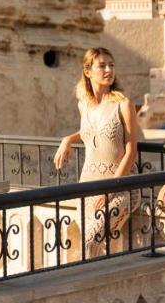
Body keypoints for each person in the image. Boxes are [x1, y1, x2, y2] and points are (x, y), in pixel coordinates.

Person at [53, 48, 142, 256]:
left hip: (120, 187)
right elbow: (90, 132)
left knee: (91, 241)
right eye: (102, 66)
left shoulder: (123, 104)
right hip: (88, 184)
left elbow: (131, 150)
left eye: (111, 65)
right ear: (87, 71)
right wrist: (68, 139)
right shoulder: (84, 105)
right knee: (86, 244)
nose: (109, 70)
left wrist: (110, 190)